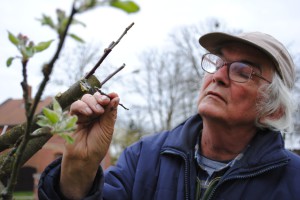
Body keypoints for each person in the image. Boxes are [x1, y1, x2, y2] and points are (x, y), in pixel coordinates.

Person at [38, 31, 300, 200]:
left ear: (273, 109)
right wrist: (79, 167)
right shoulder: (142, 158)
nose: (218, 76)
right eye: (218, 63)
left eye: (243, 71)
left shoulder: (293, 181)